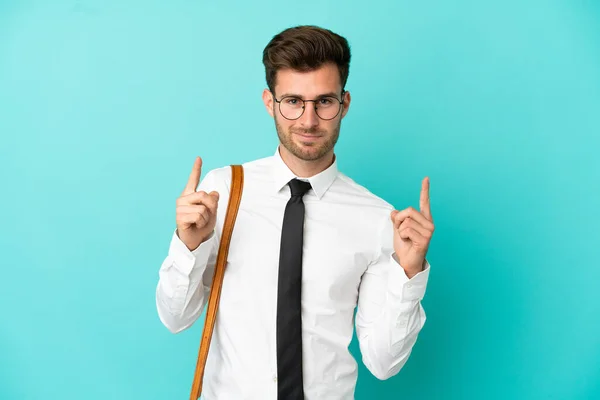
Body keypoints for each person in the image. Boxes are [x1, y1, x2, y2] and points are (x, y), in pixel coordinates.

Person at [155, 25, 434, 400]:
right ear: (270, 102)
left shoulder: (377, 218)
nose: (308, 120)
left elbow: (384, 364)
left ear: (344, 103)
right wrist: (188, 244)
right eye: (292, 101)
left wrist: (409, 273)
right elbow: (176, 319)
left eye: (324, 101)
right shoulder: (223, 192)